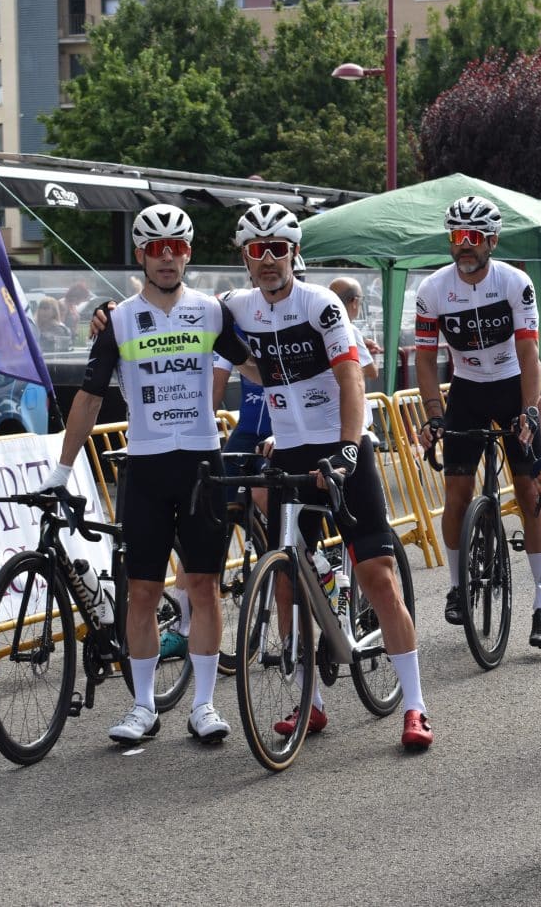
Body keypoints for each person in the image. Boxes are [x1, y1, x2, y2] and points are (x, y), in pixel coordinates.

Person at [39, 204, 256, 746]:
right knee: (140, 590)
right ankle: (141, 707)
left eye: (177, 247)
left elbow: (257, 366)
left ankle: (204, 705)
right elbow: (89, 397)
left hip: (204, 461)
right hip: (147, 465)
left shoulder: (212, 311)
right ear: (140, 255)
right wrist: (62, 470)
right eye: (156, 249)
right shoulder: (117, 319)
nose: (167, 257)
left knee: (204, 585)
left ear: (189, 254)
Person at [223, 203, 432, 750]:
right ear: (244, 258)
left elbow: (350, 379)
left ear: (295, 254)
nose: (267, 260)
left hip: (343, 443)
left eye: (278, 249)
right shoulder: (238, 307)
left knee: (379, 576)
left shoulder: (322, 304)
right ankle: (309, 703)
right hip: (289, 449)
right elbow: (185, 320)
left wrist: (345, 449)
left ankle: (415, 705)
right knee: (289, 579)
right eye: (256, 250)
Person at [415, 195, 541, 649]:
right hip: (468, 391)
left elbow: (528, 353)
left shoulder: (515, 284)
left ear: (491, 241)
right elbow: (424, 359)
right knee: (456, 493)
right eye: (458, 236)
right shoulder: (433, 290)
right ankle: (458, 584)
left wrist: (531, 410)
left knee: (530, 492)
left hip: (513, 385)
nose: (465, 246)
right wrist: (434, 415)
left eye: (474, 237)